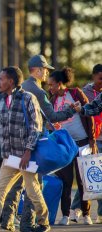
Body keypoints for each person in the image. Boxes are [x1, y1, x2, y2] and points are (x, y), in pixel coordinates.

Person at [0, 66, 50, 232]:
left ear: (11, 81)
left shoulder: (28, 98)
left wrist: (28, 151)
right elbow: (3, 131)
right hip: (10, 157)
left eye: (1, 79)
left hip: (26, 156)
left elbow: (36, 126)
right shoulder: (2, 101)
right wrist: (5, 154)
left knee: (32, 190)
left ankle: (44, 223)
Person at [3, 54, 75, 231]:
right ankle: (28, 223)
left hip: (15, 142)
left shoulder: (20, 87)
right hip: (33, 145)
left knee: (16, 184)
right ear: (38, 70)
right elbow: (53, 115)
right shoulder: (38, 91)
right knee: (34, 185)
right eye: (46, 70)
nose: (47, 74)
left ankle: (6, 221)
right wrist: (70, 110)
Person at [47, 67, 96, 225]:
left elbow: (89, 114)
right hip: (65, 145)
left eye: (52, 84)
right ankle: (66, 215)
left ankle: (86, 214)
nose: (50, 88)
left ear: (60, 84)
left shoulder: (75, 93)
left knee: (83, 180)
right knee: (66, 180)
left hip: (82, 142)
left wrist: (92, 140)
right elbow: (51, 121)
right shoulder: (52, 100)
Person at [71, 63, 102, 224]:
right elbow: (93, 108)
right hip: (95, 138)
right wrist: (81, 109)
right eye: (100, 78)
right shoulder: (87, 92)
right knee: (91, 176)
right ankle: (78, 208)